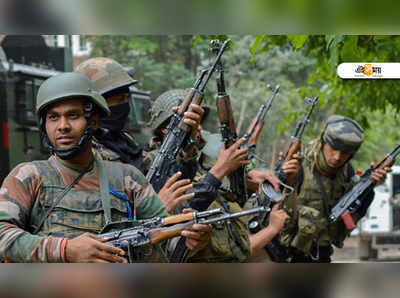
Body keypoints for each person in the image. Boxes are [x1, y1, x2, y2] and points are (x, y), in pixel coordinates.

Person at [0, 72, 210, 263]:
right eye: (53, 117)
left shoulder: (127, 178)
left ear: (93, 121)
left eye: (73, 115)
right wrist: (66, 249)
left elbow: (164, 242)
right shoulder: (29, 176)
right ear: (44, 125)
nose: (62, 126)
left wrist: (190, 240)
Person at [75, 58, 205, 212]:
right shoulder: (85, 154)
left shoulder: (120, 140)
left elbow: (156, 164)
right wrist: (155, 206)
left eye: (126, 99)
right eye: (118, 100)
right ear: (94, 106)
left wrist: (185, 143)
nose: (124, 105)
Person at [281, 115, 390, 263]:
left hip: (322, 253)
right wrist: (285, 177)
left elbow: (353, 213)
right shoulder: (298, 165)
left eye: (345, 153)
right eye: (333, 149)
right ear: (323, 142)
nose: (337, 157)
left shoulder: (347, 173)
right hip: (287, 253)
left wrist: (369, 187)